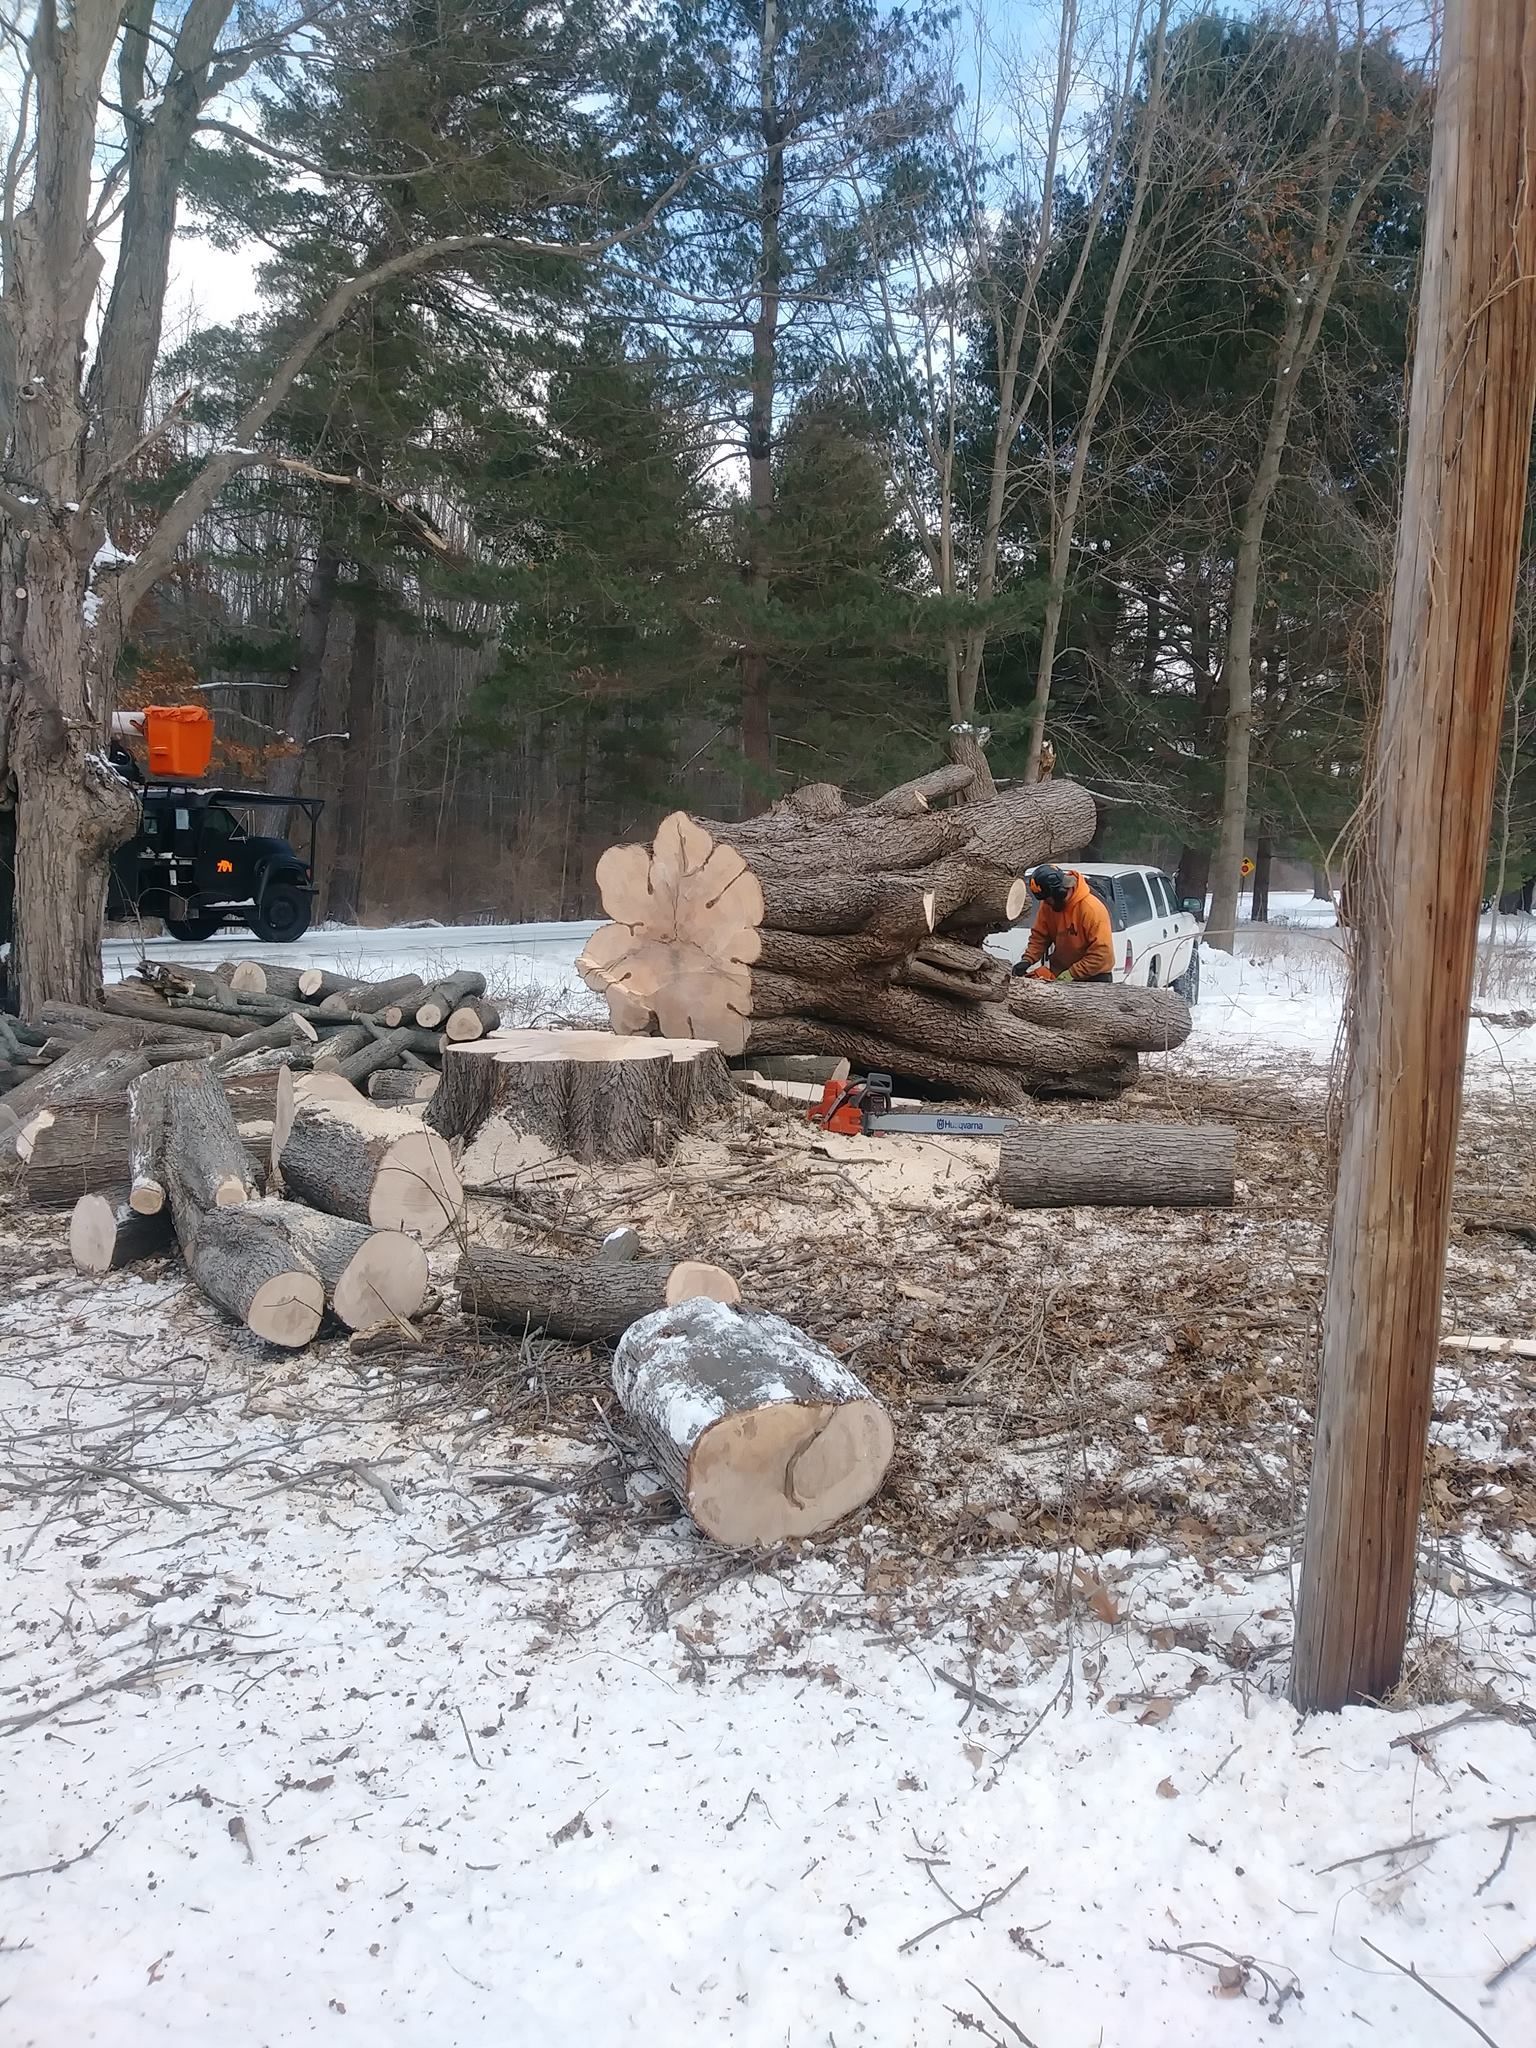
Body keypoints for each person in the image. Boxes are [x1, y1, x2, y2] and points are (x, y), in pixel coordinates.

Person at [1014, 865, 1115, 983]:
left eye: (1048, 899)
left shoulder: (1091, 909)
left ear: (1059, 892)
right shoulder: (1048, 905)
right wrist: (1027, 960)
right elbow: (1040, 937)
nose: (1046, 903)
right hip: (1061, 973)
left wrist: (1072, 973)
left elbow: (1102, 955)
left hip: (1094, 977)